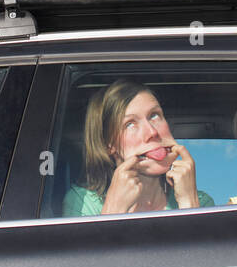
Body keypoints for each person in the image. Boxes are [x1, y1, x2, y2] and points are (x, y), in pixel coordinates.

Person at [61, 79, 212, 216]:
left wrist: (189, 204)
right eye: (130, 124)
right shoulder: (82, 203)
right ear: (109, 145)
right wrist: (114, 210)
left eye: (154, 115)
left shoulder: (201, 202)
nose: (152, 132)